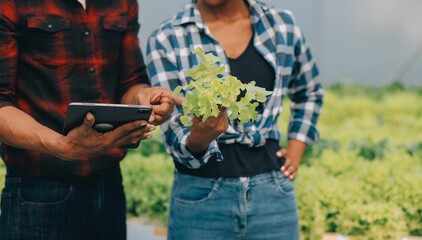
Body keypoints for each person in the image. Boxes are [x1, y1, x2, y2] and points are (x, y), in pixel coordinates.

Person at [0, 0, 179, 239]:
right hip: (37, 193)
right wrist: (59, 145)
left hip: (109, 186)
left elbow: (130, 81)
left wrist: (144, 97)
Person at [147, 0, 324, 239]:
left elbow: (309, 91)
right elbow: (176, 134)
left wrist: (296, 147)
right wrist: (200, 136)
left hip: (273, 197)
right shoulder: (166, 38)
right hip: (200, 199)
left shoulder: (282, 25)